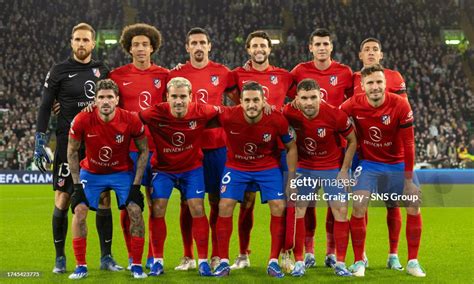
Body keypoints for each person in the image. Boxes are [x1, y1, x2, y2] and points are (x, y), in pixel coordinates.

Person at [33, 23, 119, 273]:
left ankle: (107, 258)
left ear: (94, 43)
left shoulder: (103, 70)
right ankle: (60, 258)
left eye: (86, 40)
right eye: (77, 39)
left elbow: (114, 101)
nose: (81, 44)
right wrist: (40, 140)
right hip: (67, 144)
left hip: (97, 144)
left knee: (104, 198)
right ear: (71, 42)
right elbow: (45, 106)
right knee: (62, 198)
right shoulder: (59, 71)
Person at [340, 64, 425, 277]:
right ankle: (359, 261)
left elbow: (409, 144)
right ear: (362, 86)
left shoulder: (400, 105)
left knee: (413, 204)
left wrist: (408, 181)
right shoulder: (352, 105)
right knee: (358, 205)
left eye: (379, 82)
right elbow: (334, 121)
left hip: (397, 163)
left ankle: (413, 261)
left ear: (385, 83)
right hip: (370, 163)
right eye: (370, 83)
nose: (375, 87)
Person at [212, 81, 297, 278]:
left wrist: (291, 178)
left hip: (266, 166)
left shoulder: (276, 119)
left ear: (263, 101)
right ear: (240, 102)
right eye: (247, 100)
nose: (252, 105)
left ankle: (273, 261)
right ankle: (223, 261)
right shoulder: (228, 115)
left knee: (278, 205)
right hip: (236, 166)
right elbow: (201, 120)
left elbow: (291, 146)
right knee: (224, 205)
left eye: (256, 100)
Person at [168, 27, 236, 270]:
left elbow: (238, 103)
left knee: (218, 201)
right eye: (193, 43)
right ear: (187, 48)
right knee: (188, 202)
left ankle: (217, 254)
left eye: (202, 43)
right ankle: (188, 256)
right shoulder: (176, 74)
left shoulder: (223, 73)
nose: (198, 47)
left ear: (209, 46)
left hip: (218, 146)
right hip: (189, 147)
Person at [66, 79, 149, 279]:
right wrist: (77, 186)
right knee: (79, 209)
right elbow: (72, 151)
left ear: (117, 100)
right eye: (101, 97)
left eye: (110, 97)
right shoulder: (82, 119)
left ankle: (137, 265)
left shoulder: (131, 119)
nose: (105, 101)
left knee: (135, 209)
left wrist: (136, 186)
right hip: (92, 172)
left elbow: (144, 150)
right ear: (94, 100)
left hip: (121, 172)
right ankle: (81, 266)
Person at [139, 77, 219, 277]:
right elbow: (130, 119)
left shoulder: (202, 111)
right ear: (167, 97)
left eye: (183, 96)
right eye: (174, 96)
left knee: (197, 207)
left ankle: (202, 262)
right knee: (157, 208)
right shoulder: (154, 112)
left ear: (191, 97)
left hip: (192, 168)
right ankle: (157, 261)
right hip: (164, 169)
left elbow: (229, 113)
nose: (178, 101)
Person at [228, 30, 295, 271]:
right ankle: (243, 253)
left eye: (263, 46)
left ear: (270, 49)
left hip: (279, 148)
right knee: (246, 201)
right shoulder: (236, 74)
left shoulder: (284, 76)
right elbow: (221, 93)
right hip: (249, 149)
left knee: (286, 201)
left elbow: (301, 100)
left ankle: (285, 253)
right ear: (247, 49)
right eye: (254, 45)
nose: (259, 49)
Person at [290, 28, 353, 269]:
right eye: (318, 44)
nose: (322, 47)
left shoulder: (345, 72)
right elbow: (287, 98)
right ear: (311, 47)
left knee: (337, 205)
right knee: (306, 206)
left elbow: (353, 100)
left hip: (335, 147)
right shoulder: (299, 71)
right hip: (307, 151)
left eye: (326, 43)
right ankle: (307, 252)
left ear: (331, 46)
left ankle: (333, 252)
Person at [109, 23, 169, 270]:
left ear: (153, 47)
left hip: (157, 149)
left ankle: (156, 258)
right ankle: (134, 257)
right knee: (128, 204)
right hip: (129, 150)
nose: (141, 48)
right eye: (136, 45)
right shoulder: (116, 76)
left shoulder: (166, 76)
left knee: (155, 204)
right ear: (129, 48)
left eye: (145, 44)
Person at [283, 79, 357, 277]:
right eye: (304, 98)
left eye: (313, 97)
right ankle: (300, 260)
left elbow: (352, 140)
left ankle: (340, 262)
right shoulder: (288, 112)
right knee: (299, 209)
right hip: (304, 168)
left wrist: (344, 171)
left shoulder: (335, 115)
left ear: (320, 97)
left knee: (341, 211)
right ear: (296, 99)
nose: (309, 102)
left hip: (332, 168)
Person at [353, 37, 409, 270]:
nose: (371, 52)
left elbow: (403, 112)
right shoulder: (353, 78)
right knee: (359, 203)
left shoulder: (394, 77)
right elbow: (347, 108)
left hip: (390, 154)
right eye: (367, 49)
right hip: (362, 153)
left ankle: (393, 255)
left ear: (381, 54)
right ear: (360, 55)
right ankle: (361, 254)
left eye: (375, 49)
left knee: (392, 204)